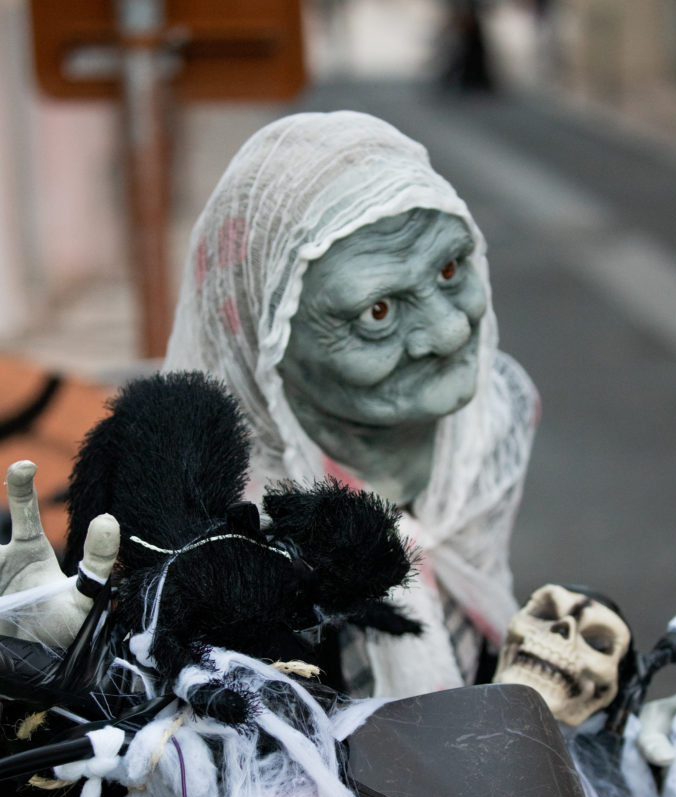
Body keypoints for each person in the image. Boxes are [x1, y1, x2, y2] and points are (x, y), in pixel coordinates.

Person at [165, 110, 538, 699]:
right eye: (377, 313)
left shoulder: (494, 416)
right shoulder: (225, 523)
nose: (450, 332)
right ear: (261, 335)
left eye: (449, 269)